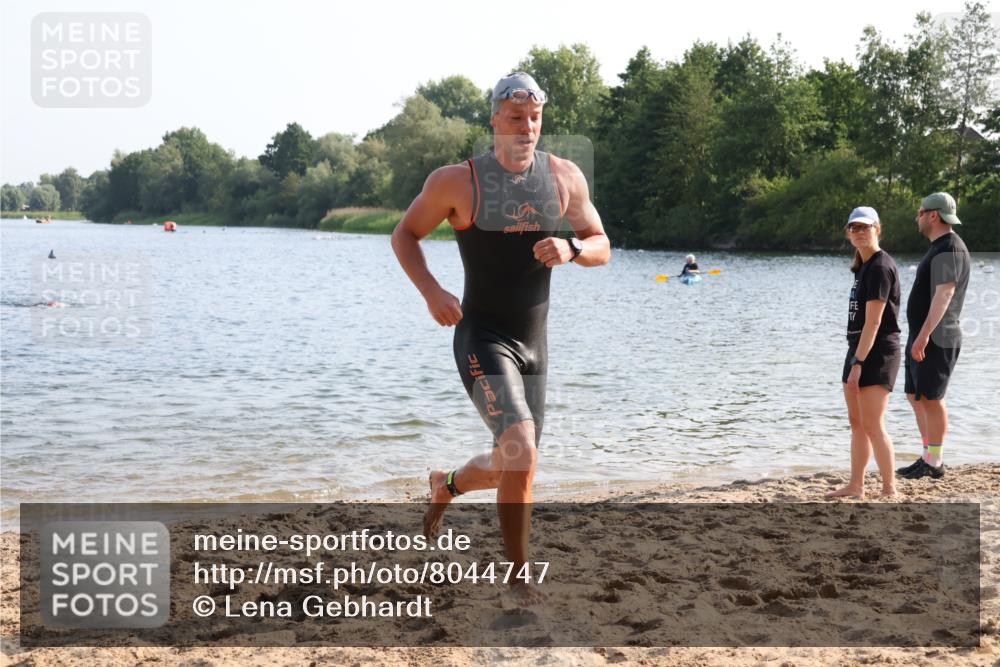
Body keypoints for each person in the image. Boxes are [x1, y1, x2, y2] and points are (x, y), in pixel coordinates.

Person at [391, 72, 610, 606]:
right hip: (482, 335)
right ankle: (518, 576)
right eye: (515, 117)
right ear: (493, 119)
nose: (526, 128)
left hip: (534, 343)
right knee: (523, 450)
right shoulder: (457, 180)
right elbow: (405, 234)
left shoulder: (563, 177)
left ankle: (445, 486)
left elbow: (602, 242)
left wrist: (573, 251)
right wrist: (431, 291)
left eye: (534, 118)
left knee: (514, 461)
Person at [826, 206, 900, 500]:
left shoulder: (881, 266)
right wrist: (854, 357)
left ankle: (889, 488)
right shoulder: (862, 265)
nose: (858, 232)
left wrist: (858, 362)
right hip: (857, 349)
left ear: (877, 229)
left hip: (877, 352)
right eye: (853, 228)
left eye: (864, 227)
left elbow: (874, 321)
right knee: (856, 422)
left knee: (873, 424)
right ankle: (856, 485)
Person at [896, 192, 971, 480]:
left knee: (932, 398)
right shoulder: (938, 246)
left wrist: (925, 334)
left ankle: (935, 461)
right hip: (924, 335)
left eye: (920, 211)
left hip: (938, 336)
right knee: (915, 395)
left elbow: (945, 293)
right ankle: (928, 455)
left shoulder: (949, 247)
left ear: (933, 215)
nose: (917, 216)